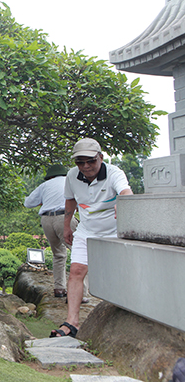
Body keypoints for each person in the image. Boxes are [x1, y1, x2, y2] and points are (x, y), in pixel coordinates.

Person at [50, 138, 132, 338]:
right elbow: (70, 201)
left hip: (114, 229)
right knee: (76, 271)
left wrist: (123, 202)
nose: (86, 166)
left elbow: (126, 191)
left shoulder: (114, 173)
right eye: (80, 162)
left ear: (100, 158)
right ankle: (71, 322)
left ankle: (123, 315)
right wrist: (67, 226)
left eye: (91, 161)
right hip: (87, 229)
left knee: (119, 273)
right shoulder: (72, 176)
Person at [24, 164, 78, 298]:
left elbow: (28, 203)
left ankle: (59, 288)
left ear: (50, 176)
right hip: (64, 217)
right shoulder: (71, 181)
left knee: (58, 254)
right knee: (80, 252)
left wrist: (43, 201)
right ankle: (80, 292)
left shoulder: (44, 186)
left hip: (47, 220)